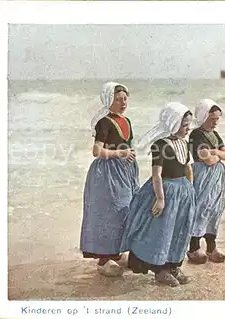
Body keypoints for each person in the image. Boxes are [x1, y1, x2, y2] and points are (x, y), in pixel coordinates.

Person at [120, 102, 196, 287]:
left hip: (183, 192)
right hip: (166, 191)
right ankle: (160, 270)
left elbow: (187, 167)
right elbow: (157, 174)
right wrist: (160, 199)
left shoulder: (184, 144)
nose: (188, 129)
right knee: (163, 231)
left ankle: (173, 265)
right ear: (172, 123)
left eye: (189, 125)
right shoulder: (161, 145)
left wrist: (190, 189)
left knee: (180, 230)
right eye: (184, 125)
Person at [80, 82, 140, 277]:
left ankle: (116, 251)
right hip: (106, 175)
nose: (123, 102)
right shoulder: (104, 122)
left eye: (124, 98)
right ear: (109, 100)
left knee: (125, 210)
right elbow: (97, 151)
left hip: (125, 172)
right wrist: (118, 154)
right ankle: (104, 258)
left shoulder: (127, 120)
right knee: (109, 213)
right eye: (117, 99)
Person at [187, 99, 225, 264]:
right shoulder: (196, 134)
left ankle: (211, 247)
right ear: (203, 116)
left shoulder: (214, 134)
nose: (215, 122)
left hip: (217, 178)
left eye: (217, 119)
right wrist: (216, 153)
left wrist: (215, 153)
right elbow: (207, 160)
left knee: (215, 209)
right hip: (203, 177)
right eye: (212, 119)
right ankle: (194, 247)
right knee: (201, 208)